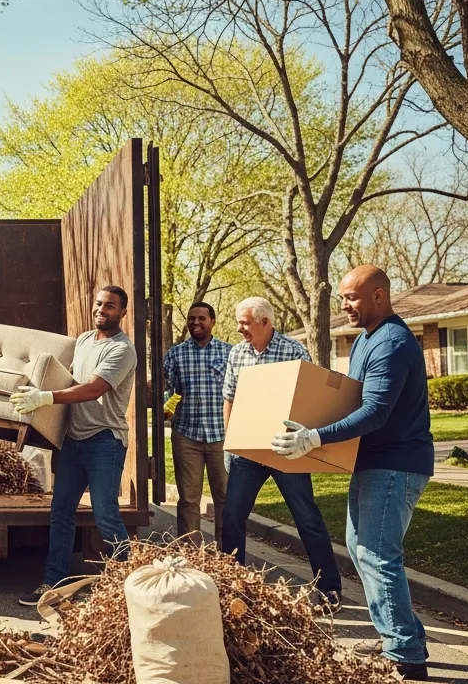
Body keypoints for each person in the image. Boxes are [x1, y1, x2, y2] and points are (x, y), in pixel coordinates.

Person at [270, 266, 433, 680]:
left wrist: (315, 437)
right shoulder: (366, 340)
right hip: (374, 462)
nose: (344, 305)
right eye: (342, 298)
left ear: (379, 295)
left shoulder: (392, 343)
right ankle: (401, 635)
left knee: (378, 555)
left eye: (352, 298)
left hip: (394, 465)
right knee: (361, 548)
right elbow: (352, 396)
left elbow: (376, 411)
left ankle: (406, 658)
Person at [11, 287, 136, 607]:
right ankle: (54, 585)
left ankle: (130, 586)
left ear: (122, 313)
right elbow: (61, 378)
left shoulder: (123, 350)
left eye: (110, 306)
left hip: (104, 441)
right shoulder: (82, 340)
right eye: (98, 304)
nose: (102, 310)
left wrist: (46, 398)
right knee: (60, 512)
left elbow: (94, 389)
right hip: (72, 440)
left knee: (105, 514)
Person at [219, 297, 342, 612]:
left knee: (307, 517)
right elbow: (229, 399)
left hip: (287, 450)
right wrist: (230, 442)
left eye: (244, 323)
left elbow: (309, 398)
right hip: (248, 450)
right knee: (232, 515)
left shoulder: (293, 351)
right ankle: (233, 585)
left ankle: (329, 589)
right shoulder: (237, 353)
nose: (239, 328)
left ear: (264, 322)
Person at [162, 301, 233, 541]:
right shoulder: (175, 354)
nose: (196, 323)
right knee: (189, 499)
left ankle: (227, 556)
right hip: (187, 436)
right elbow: (167, 391)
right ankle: (190, 556)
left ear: (212, 321)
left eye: (201, 318)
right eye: (192, 318)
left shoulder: (229, 352)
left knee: (224, 498)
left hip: (221, 436)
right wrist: (164, 406)